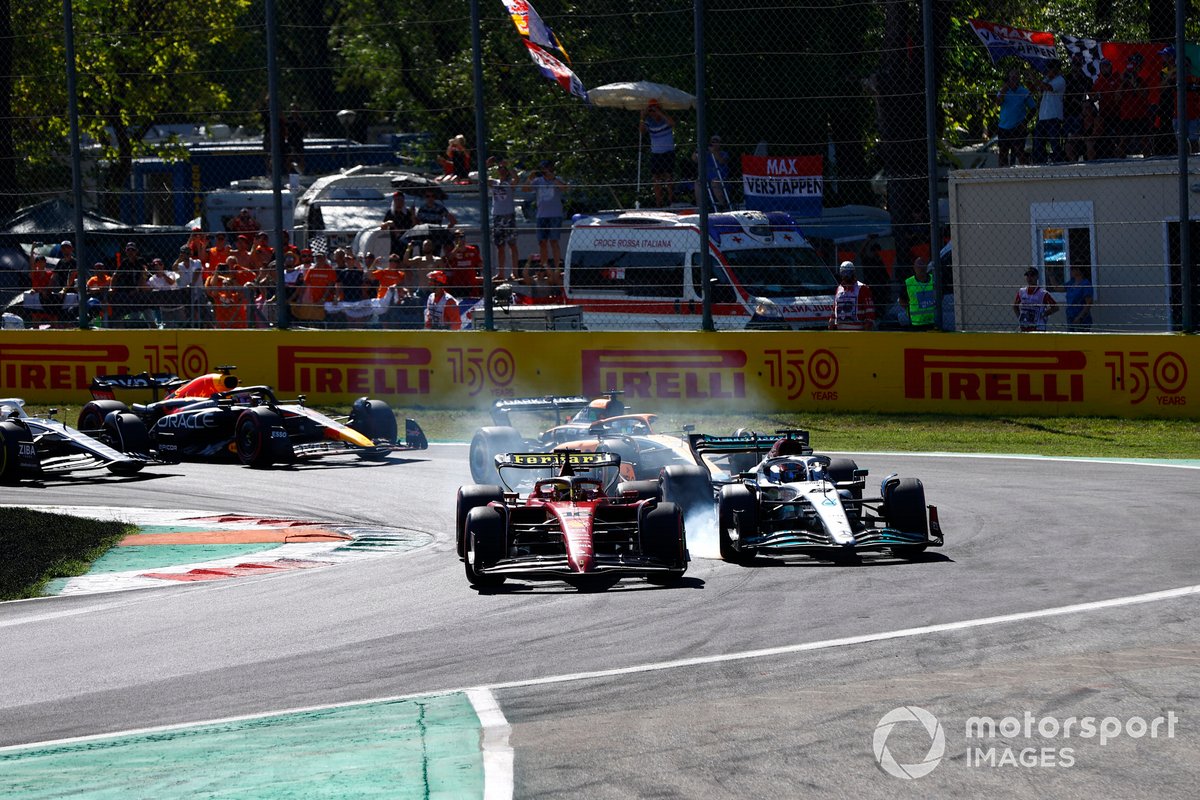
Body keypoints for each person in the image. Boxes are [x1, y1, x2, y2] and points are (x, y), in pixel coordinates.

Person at [522, 160, 567, 278]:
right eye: (543, 169)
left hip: (555, 214)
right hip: (541, 215)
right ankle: (544, 266)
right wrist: (529, 178)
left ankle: (558, 267)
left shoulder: (557, 179)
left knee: (554, 240)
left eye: (547, 168)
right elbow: (525, 189)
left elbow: (564, 188)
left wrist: (553, 179)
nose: (545, 171)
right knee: (542, 242)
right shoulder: (538, 181)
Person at [488, 157, 520, 280]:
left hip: (509, 216)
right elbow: (481, 180)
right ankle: (501, 273)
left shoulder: (509, 183)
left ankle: (515, 272)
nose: (501, 170)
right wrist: (486, 165)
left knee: (512, 244)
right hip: (497, 216)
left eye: (503, 168)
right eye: (499, 168)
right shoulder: (494, 183)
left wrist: (509, 165)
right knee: (499, 246)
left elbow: (516, 179)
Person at [996, 68, 1035, 166]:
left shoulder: (1024, 92)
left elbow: (1033, 108)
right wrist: (1003, 91)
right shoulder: (1003, 90)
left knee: (1019, 152)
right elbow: (998, 103)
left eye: (1016, 77)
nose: (1014, 79)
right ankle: (1003, 175)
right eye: (1012, 77)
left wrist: (1025, 121)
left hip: (1018, 127)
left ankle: (1025, 172)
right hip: (1004, 127)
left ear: (1019, 79)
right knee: (1003, 153)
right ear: (1008, 79)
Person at [640, 99, 676, 206]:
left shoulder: (665, 119)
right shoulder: (648, 121)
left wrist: (660, 113)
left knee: (669, 176)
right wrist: (642, 117)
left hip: (668, 152)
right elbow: (642, 131)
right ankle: (658, 202)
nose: (653, 112)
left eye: (655, 109)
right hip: (656, 153)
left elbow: (672, 123)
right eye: (651, 110)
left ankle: (671, 200)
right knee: (656, 178)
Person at [1030, 59, 1066, 163]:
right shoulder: (1046, 79)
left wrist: (1034, 78)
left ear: (1056, 70)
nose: (1048, 71)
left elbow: (1048, 88)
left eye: (1050, 69)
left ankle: (1058, 162)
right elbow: (1038, 88)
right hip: (1042, 117)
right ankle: (1040, 162)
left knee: (1054, 143)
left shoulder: (1060, 80)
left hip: (1054, 116)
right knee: (1038, 143)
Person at [1116, 53, 1150, 157]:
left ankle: (1148, 160)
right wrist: (1124, 82)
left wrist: (1134, 82)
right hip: (1126, 115)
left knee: (1144, 142)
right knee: (1123, 142)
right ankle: (1119, 162)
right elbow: (1117, 98)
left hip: (1141, 115)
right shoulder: (1123, 83)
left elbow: (1144, 95)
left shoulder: (1141, 81)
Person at [1063, 52, 1094, 162]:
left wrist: (1084, 106)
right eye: (1075, 63)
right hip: (1068, 113)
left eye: (1078, 63)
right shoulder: (1066, 79)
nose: (1076, 66)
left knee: (1081, 140)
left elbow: (1091, 96)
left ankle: (1086, 162)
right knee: (1069, 141)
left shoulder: (1085, 79)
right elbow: (1064, 97)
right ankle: (1072, 162)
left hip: (1081, 114)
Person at [828, 261, 876, 330]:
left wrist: (868, 325)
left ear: (853, 273)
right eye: (844, 273)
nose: (846, 276)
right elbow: (835, 308)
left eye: (849, 273)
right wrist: (831, 321)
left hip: (857, 331)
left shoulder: (862, 288)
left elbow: (869, 310)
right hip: (840, 332)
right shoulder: (839, 289)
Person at [1013, 267, 1058, 331]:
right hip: (1025, 327)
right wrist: (1021, 317)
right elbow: (1015, 306)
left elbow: (1055, 307)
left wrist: (1043, 314)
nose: (1029, 278)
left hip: (1038, 327)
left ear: (1037, 277)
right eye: (1027, 276)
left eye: (1032, 275)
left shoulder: (1043, 293)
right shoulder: (1022, 292)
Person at [693, 135, 730, 208]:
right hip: (706, 179)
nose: (714, 143)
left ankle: (722, 205)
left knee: (715, 182)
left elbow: (722, 161)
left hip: (721, 179)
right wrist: (698, 150)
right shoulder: (706, 154)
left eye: (716, 142)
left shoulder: (724, 154)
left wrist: (714, 151)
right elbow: (694, 159)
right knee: (697, 183)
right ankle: (701, 207)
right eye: (712, 142)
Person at [443, 229, 482, 298]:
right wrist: (457, 248)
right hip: (458, 283)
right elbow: (449, 259)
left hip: (470, 282)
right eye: (456, 238)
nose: (459, 239)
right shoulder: (453, 251)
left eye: (461, 237)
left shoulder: (472, 250)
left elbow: (479, 264)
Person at [901, 257, 936, 331]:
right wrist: (910, 311)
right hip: (916, 323)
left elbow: (940, 297)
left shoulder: (934, 280)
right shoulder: (909, 282)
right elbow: (902, 300)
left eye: (923, 265)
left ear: (926, 266)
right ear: (914, 268)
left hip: (933, 322)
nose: (921, 268)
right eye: (919, 265)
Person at [382, 191, 416, 256]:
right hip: (394, 244)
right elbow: (382, 227)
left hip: (407, 242)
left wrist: (413, 215)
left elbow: (414, 226)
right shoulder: (391, 213)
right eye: (397, 200)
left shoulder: (408, 212)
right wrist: (387, 223)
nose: (399, 202)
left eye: (401, 199)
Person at [1061, 264, 1094, 331]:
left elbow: (1089, 303)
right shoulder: (1071, 283)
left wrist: (1080, 317)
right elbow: (1057, 289)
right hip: (1071, 316)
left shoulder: (1085, 284)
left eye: (1073, 269)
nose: (1071, 271)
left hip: (1081, 317)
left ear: (1078, 270)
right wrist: (1051, 276)